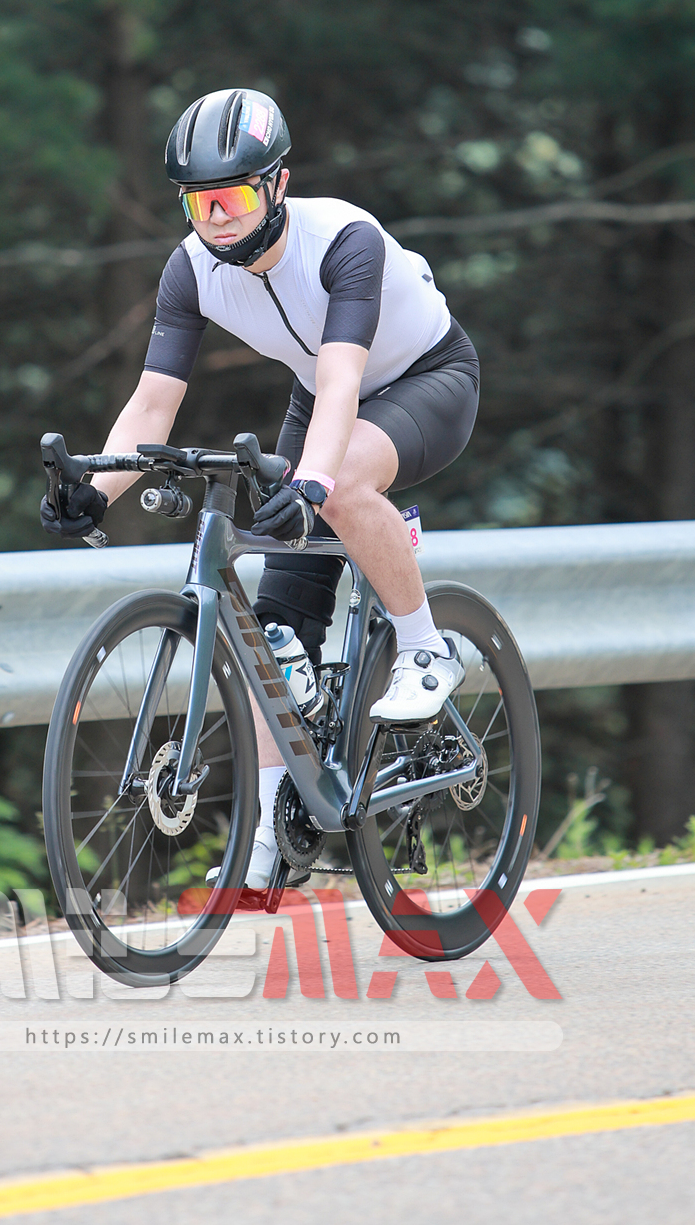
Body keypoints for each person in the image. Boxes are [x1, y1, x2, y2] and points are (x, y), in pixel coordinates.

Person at [42, 88, 481, 888]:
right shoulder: (190, 268)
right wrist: (98, 490)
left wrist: (313, 481)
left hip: (425, 379)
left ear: (277, 184)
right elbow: (152, 403)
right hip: (318, 400)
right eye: (198, 201)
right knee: (273, 634)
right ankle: (273, 834)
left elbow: (344, 381)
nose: (215, 218)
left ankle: (426, 647)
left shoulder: (343, 239)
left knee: (339, 485)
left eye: (232, 198)